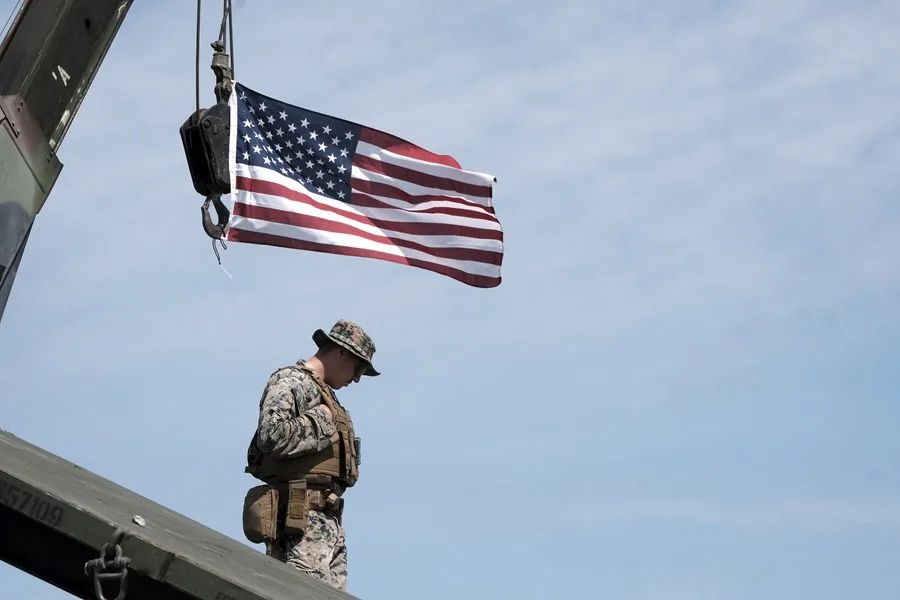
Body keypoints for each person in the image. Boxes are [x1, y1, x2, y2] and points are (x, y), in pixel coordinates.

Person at [244, 319, 379, 591]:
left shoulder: (326, 394)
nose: (356, 378)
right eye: (358, 368)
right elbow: (271, 435)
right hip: (300, 521)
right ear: (340, 352)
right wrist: (321, 421)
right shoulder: (292, 381)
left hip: (326, 524)